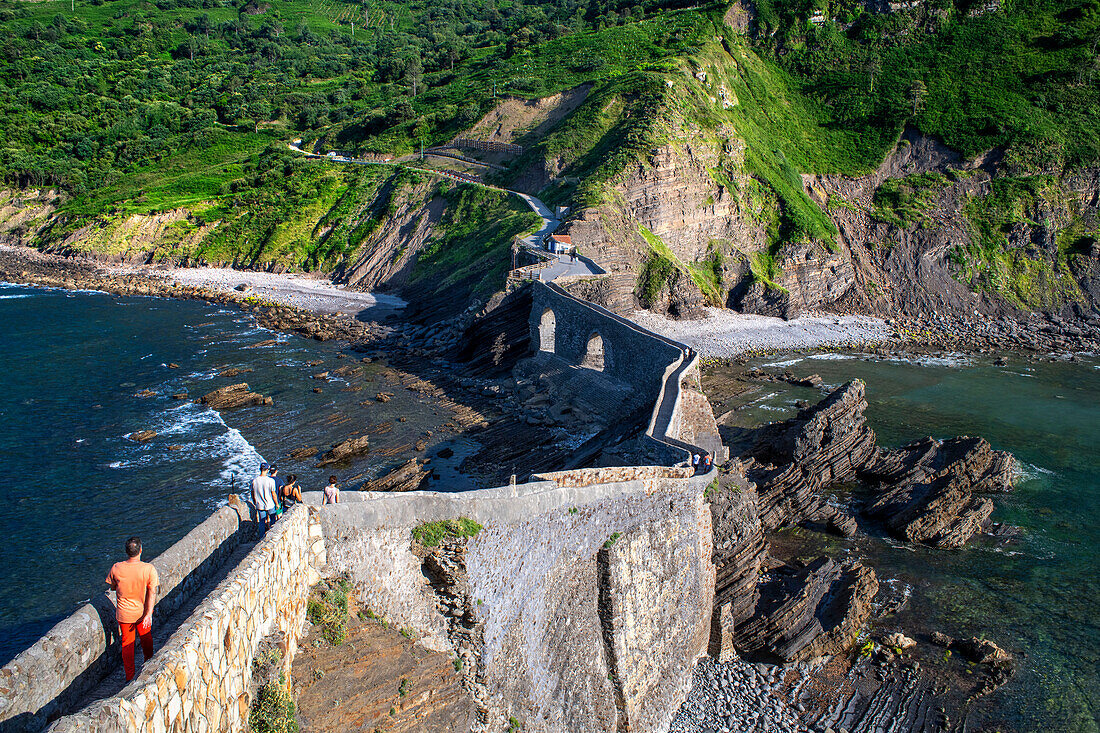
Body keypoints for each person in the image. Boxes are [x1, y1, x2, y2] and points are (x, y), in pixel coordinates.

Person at [105, 537, 159, 682]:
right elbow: (152, 591)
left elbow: (112, 586)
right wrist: (149, 614)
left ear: (127, 551)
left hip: (124, 614)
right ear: (140, 550)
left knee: (127, 644)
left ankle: (129, 677)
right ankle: (148, 667)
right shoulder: (149, 569)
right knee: (146, 640)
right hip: (142, 613)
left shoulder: (116, 568)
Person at [251, 463, 277, 534]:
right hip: (270, 504)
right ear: (267, 470)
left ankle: (261, 538)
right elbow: (273, 494)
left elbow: (252, 494)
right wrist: (277, 503)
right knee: (273, 521)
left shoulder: (254, 481)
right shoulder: (270, 480)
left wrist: (255, 502)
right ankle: (272, 535)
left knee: (261, 522)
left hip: (259, 505)